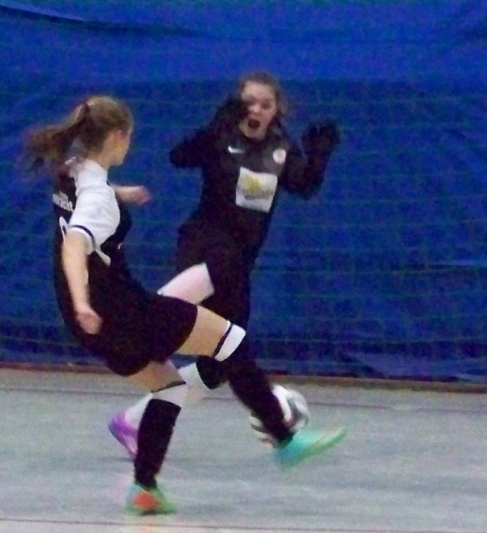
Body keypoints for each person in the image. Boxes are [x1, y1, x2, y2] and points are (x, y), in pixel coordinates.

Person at [24, 95, 346, 515]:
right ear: (118, 137)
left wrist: (119, 194)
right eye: (130, 137)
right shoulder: (96, 199)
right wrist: (85, 299)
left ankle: (145, 490)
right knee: (230, 341)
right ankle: (285, 439)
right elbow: (75, 243)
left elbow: (87, 200)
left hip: (85, 325)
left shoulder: (72, 170)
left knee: (170, 387)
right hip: (122, 311)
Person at [107, 72, 341, 458]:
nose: (257, 110)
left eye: (265, 104)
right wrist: (213, 130)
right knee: (221, 269)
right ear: (238, 105)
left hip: (237, 263)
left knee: (220, 362)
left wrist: (319, 156)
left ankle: (132, 422)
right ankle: (145, 319)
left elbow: (304, 186)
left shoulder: (281, 147)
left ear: (276, 110)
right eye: (250, 103)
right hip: (204, 245)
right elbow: (179, 157)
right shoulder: (222, 136)